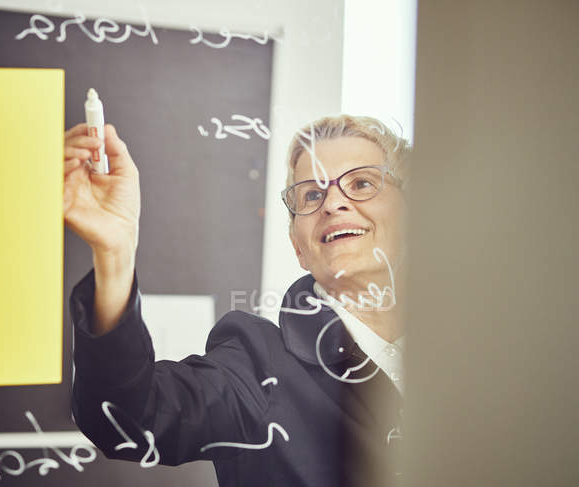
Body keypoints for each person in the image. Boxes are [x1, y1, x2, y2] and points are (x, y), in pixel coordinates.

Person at [66, 114, 410, 487]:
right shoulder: (258, 366)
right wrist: (115, 251)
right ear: (299, 247)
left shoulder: (475, 349)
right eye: (312, 194)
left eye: (362, 183)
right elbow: (128, 418)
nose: (333, 204)